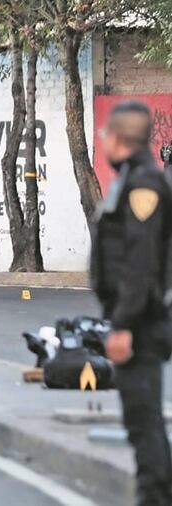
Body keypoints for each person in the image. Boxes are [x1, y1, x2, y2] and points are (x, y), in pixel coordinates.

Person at [91, 100, 172, 506]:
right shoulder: (132, 179)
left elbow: (141, 262)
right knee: (142, 420)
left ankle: (154, 498)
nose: (103, 140)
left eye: (106, 134)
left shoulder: (143, 186)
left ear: (120, 139)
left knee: (143, 422)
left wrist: (123, 324)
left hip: (140, 323)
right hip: (135, 319)